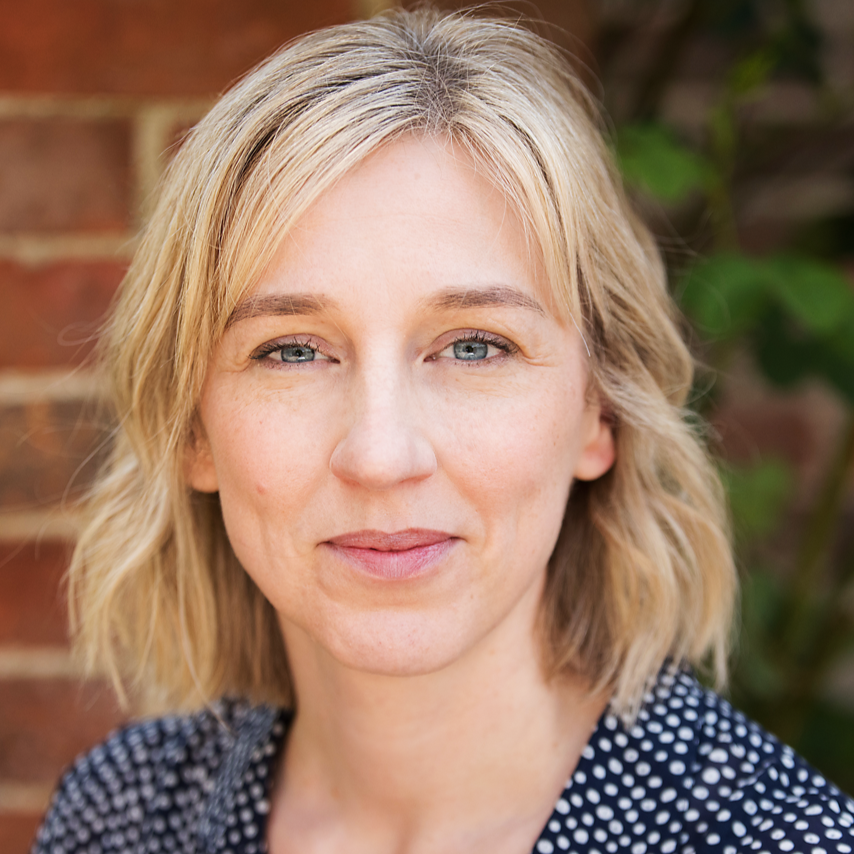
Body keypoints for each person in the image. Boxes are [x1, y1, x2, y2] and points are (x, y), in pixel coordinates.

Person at [32, 7, 853, 854]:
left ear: (597, 411)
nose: (381, 455)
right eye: (292, 351)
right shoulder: (119, 819)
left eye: (474, 346)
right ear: (194, 430)